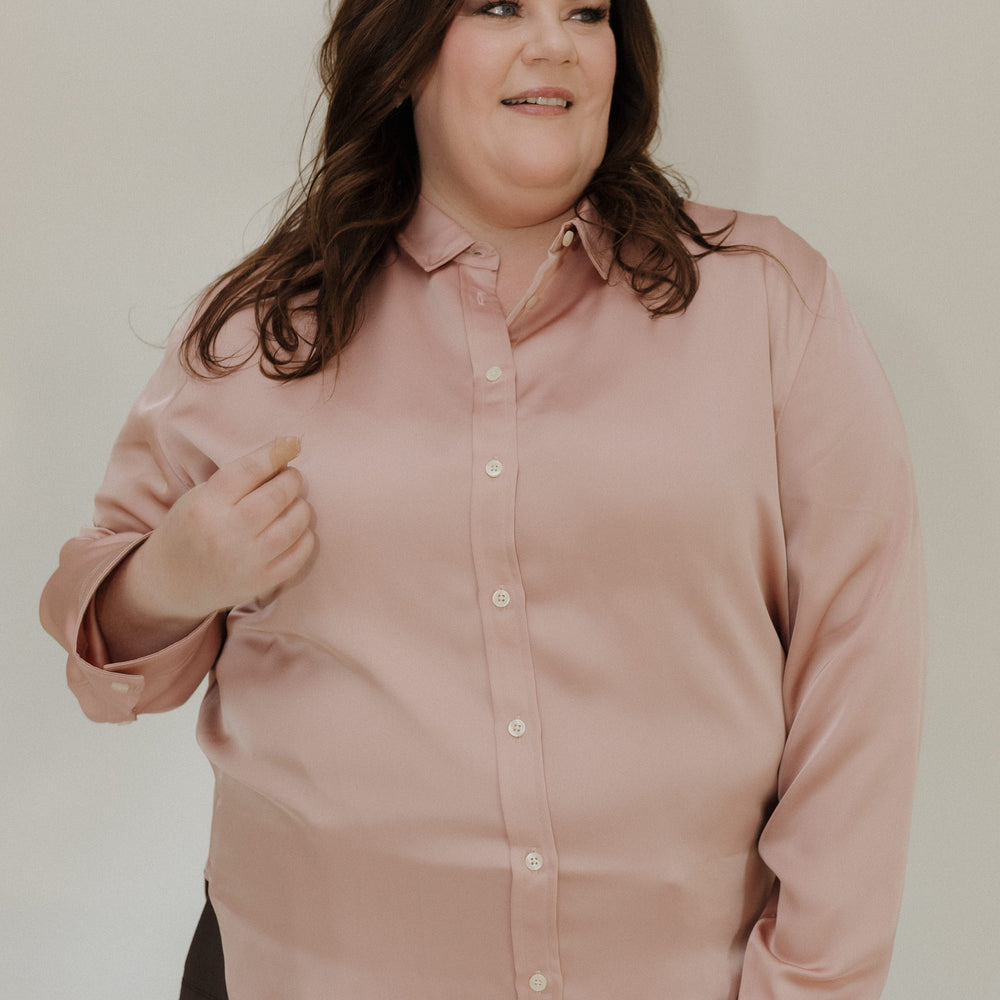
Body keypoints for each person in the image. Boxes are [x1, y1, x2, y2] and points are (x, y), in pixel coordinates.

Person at [39, 0, 926, 997]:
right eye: (499, 5)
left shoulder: (768, 304)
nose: (552, 42)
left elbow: (858, 676)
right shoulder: (257, 333)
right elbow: (103, 657)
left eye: (585, 13)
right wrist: (171, 576)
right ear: (403, 50)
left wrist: (811, 983)